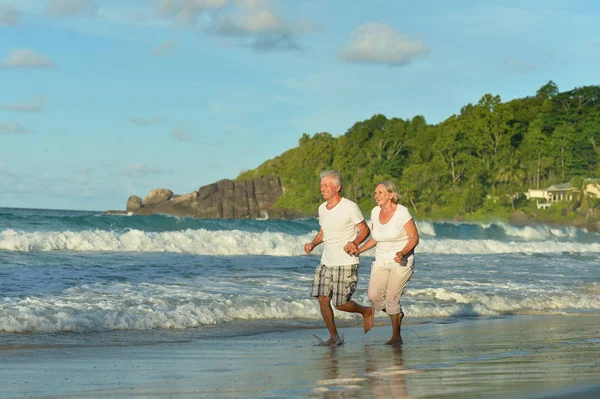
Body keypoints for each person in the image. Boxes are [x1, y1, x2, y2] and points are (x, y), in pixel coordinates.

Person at [304, 170, 375, 345]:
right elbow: (323, 232)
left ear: (338, 187)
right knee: (322, 299)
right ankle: (334, 337)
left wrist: (354, 242)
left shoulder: (350, 207)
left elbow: (365, 230)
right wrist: (313, 244)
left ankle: (366, 311)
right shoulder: (322, 208)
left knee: (340, 304)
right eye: (321, 185)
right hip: (326, 262)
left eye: (327, 185)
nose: (323, 188)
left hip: (346, 262)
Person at [356, 181, 419, 346]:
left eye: (380, 193)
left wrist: (403, 252)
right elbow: (375, 238)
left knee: (392, 298)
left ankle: (396, 336)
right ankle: (396, 314)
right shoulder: (375, 212)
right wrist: (359, 250)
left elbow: (414, 237)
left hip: (401, 261)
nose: (376, 195)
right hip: (381, 261)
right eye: (375, 193)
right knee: (374, 296)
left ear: (391, 195)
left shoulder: (402, 212)